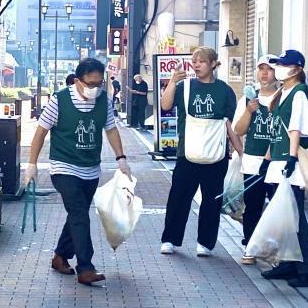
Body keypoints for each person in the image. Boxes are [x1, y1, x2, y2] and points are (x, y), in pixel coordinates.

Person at [22, 58, 132, 286]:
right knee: (80, 214)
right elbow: (41, 132)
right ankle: (85, 267)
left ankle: (60, 256)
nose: (95, 89)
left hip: (91, 169)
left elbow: (111, 129)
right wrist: (31, 164)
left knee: (76, 214)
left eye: (99, 84)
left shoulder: (104, 101)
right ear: (77, 80)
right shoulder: (60, 100)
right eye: (90, 84)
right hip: (64, 167)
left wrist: (121, 158)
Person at [159, 47, 242, 257]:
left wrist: (241, 152)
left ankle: (205, 242)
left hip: (217, 153)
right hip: (187, 152)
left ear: (214, 63)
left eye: (202, 61)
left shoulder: (225, 90)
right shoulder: (185, 86)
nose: (196, 64)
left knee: (211, 199)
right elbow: (165, 104)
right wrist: (172, 81)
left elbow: (229, 124)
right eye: (194, 61)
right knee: (179, 196)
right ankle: (170, 239)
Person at [260, 50, 308, 288]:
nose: (278, 67)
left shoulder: (299, 93)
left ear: (297, 69)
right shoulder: (284, 92)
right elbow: (278, 129)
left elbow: (296, 128)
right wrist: (268, 158)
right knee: (284, 218)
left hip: (290, 163)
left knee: (295, 217)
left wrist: (291, 158)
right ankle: (288, 262)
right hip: (278, 161)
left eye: (283, 64)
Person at [232, 55, 278, 264]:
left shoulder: (283, 97)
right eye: (261, 69)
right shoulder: (249, 98)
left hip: (277, 163)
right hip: (252, 162)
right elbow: (238, 130)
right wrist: (249, 112)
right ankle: (250, 247)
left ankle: (276, 251)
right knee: (252, 207)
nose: (265, 73)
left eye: (269, 69)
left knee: (277, 208)